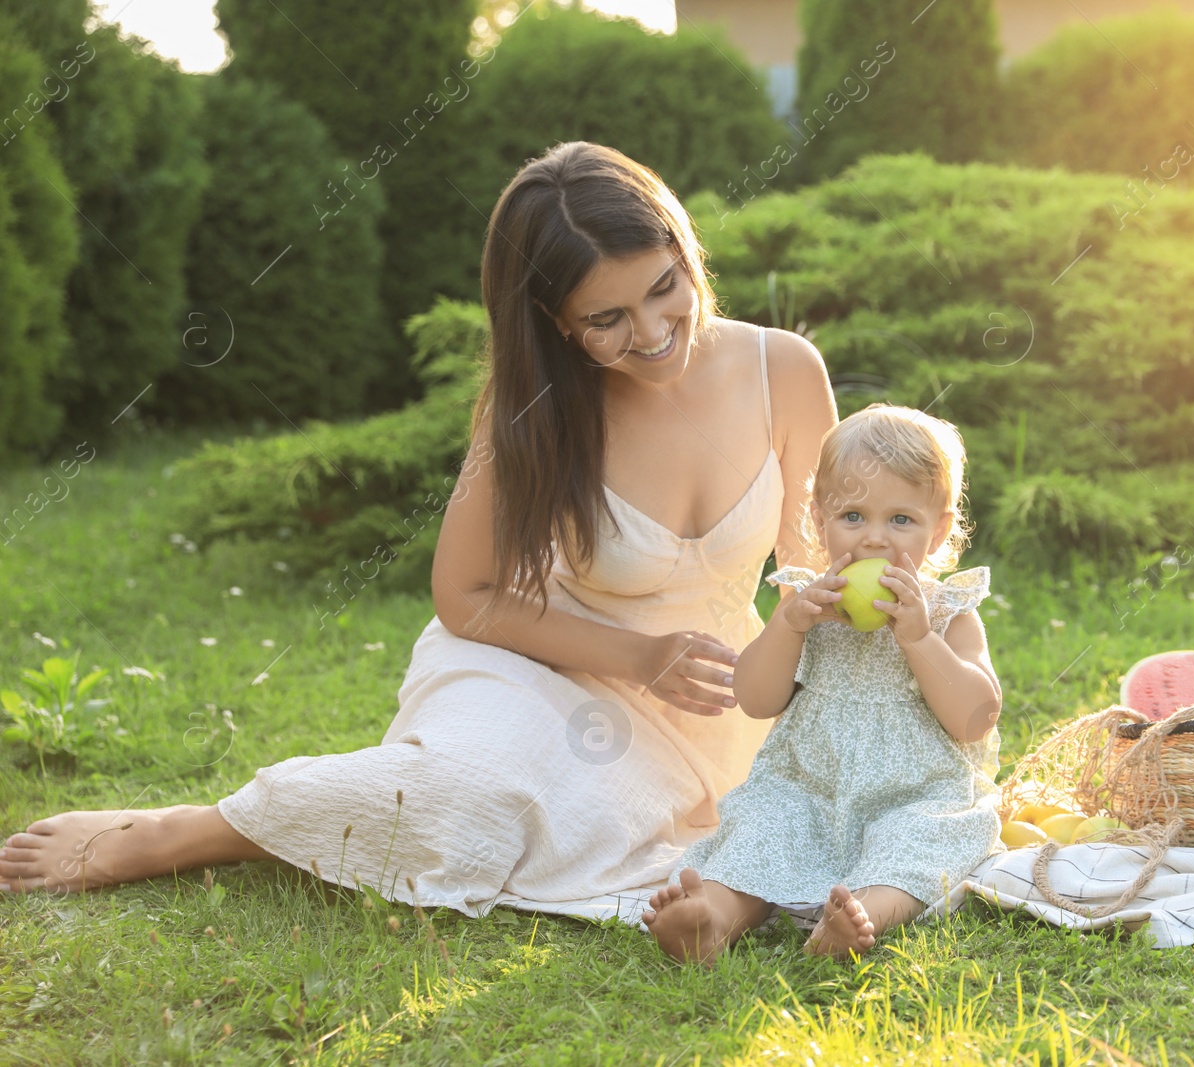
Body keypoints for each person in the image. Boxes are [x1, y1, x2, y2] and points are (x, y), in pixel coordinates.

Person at [0, 142, 839, 912]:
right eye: (605, 320)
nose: (653, 334)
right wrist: (640, 658)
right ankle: (190, 830)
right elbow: (464, 596)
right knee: (464, 794)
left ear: (686, 251)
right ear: (555, 322)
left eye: (664, 287)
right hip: (535, 669)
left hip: (710, 704)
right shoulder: (532, 412)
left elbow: (818, 579)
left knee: (671, 839)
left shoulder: (783, 372)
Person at [641, 404, 1004, 964]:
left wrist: (918, 639)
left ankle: (860, 918)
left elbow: (975, 716)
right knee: (764, 828)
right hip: (808, 790)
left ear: (940, 531)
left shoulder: (947, 613)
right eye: (853, 517)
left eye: (901, 520)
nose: (874, 541)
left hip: (913, 795)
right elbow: (757, 699)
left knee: (920, 842)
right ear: (818, 519)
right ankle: (711, 917)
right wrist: (787, 626)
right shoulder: (809, 606)